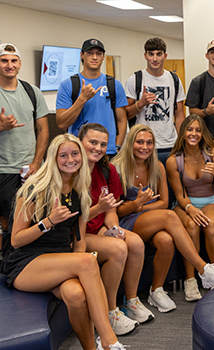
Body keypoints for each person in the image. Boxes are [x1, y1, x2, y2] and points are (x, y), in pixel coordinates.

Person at [0, 134, 126, 350]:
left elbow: (79, 241)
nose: (71, 159)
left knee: (76, 295)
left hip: (59, 261)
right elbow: (16, 241)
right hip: (26, 264)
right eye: (63, 155)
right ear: (53, 158)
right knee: (87, 262)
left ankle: (92, 348)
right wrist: (48, 222)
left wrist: (78, 257)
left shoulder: (79, 191)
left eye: (75, 154)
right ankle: (110, 341)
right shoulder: (35, 189)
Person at [112, 124, 214, 311]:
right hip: (127, 222)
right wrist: (137, 205)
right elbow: (117, 211)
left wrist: (142, 206)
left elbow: (164, 201)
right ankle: (203, 269)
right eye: (140, 142)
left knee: (166, 240)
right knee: (169, 217)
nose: (145, 147)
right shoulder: (117, 168)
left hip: (151, 218)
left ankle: (156, 290)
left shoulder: (157, 165)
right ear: (130, 143)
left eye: (149, 143)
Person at [0, 43, 50, 253]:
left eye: (14, 61)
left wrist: (36, 162)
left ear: (20, 64)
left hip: (33, 170)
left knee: (35, 216)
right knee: (5, 221)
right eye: (4, 61)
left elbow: (43, 130)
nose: (9, 65)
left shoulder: (32, 92)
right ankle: (3, 263)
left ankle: (31, 262)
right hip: (2, 169)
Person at [77, 123, 149, 335]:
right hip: (78, 233)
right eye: (92, 142)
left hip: (99, 228)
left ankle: (132, 300)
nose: (98, 148)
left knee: (134, 242)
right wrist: (99, 208)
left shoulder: (108, 170)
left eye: (102, 144)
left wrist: (114, 227)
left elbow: (111, 210)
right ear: (80, 142)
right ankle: (110, 310)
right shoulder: (71, 170)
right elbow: (70, 220)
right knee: (119, 249)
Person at [166, 115, 214, 301]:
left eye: (198, 130)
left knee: (210, 224)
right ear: (183, 132)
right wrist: (190, 209)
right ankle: (190, 279)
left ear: (203, 133)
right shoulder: (173, 160)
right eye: (189, 129)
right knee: (192, 225)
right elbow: (179, 195)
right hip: (185, 203)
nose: (193, 134)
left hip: (211, 200)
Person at [56, 38, 127, 156]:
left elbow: (121, 120)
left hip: (107, 151)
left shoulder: (114, 84)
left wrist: (117, 146)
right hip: (79, 151)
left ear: (103, 57)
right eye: (90, 53)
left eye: (98, 54)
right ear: (82, 55)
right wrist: (82, 99)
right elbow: (62, 123)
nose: (94, 57)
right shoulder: (68, 85)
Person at [124, 37, 186, 153]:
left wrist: (182, 142)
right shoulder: (135, 80)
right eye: (151, 54)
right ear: (145, 56)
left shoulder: (174, 80)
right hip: (143, 145)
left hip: (169, 143)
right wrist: (141, 103)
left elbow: (179, 115)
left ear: (165, 56)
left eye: (159, 54)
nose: (155, 58)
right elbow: (124, 115)